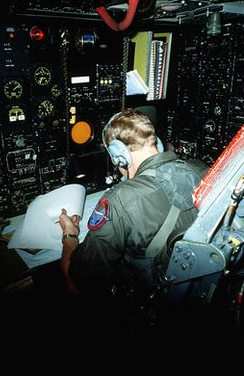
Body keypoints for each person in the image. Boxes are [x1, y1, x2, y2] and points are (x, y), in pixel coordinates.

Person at [59, 108, 207, 297]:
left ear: (118, 155)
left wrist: (69, 234)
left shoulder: (120, 200)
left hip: (150, 303)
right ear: (157, 144)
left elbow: (78, 284)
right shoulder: (200, 169)